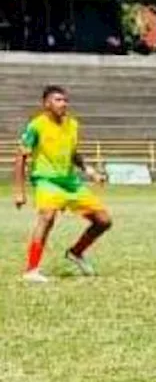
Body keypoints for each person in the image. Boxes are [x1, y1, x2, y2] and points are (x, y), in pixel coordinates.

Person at [13, 85, 112, 283]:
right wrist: (19, 191)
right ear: (46, 104)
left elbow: (73, 154)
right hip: (46, 180)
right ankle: (31, 270)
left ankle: (76, 252)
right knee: (47, 217)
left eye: (65, 100)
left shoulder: (72, 124)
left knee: (103, 221)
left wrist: (90, 172)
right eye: (58, 100)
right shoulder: (36, 126)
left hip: (70, 182)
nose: (63, 104)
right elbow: (21, 157)